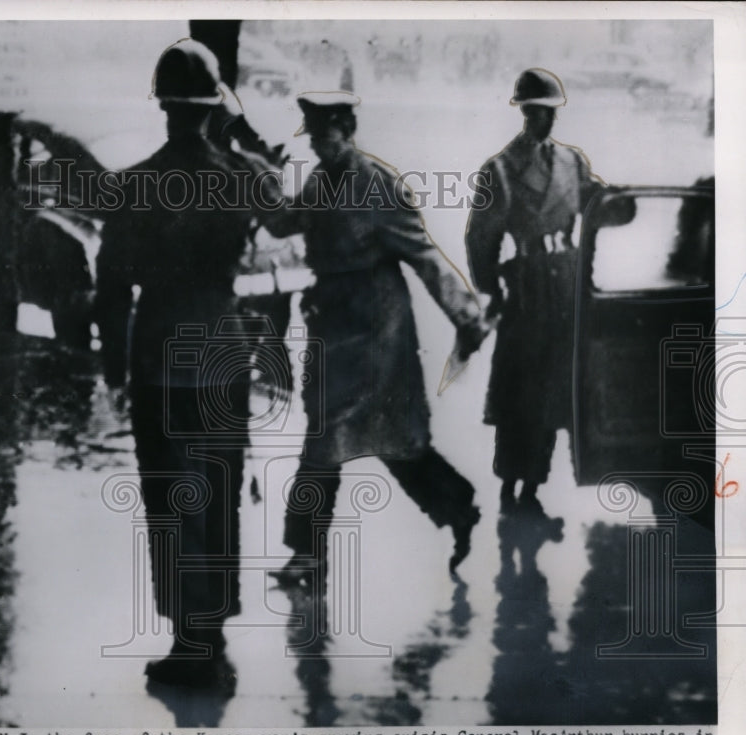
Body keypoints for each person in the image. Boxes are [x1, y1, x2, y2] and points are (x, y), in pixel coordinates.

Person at [95, 40, 273, 689]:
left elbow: (110, 285)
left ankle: (186, 641)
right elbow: (283, 208)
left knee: (171, 496)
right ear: (211, 107)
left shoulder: (135, 183)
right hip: (224, 352)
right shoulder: (242, 175)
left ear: (163, 107)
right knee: (220, 489)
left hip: (160, 356)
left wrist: (114, 370)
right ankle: (213, 627)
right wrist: (240, 132)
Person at [264, 89, 487, 584]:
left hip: (376, 327)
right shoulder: (322, 180)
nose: (321, 145)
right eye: (316, 137)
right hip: (334, 321)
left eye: (329, 135)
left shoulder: (376, 182)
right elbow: (283, 223)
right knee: (350, 436)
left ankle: (310, 552)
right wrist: (263, 173)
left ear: (348, 132)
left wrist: (466, 316)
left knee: (359, 436)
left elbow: (423, 255)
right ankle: (455, 506)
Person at [465, 68, 634, 515]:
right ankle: (509, 484)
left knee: (556, 389)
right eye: (538, 111)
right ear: (524, 111)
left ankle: (533, 488)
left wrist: (621, 202)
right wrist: (492, 290)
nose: (546, 119)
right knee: (519, 393)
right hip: (526, 288)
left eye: (551, 111)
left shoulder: (571, 161)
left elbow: (594, 202)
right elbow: (480, 238)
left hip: (565, 286)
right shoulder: (499, 169)